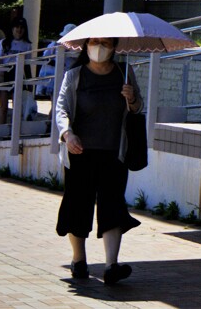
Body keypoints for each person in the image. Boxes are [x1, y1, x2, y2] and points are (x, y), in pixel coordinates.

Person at [55, 36, 142, 285]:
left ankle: (111, 265)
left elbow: (137, 108)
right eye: (94, 42)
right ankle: (79, 260)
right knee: (77, 205)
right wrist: (67, 133)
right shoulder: (75, 76)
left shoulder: (125, 73)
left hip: (115, 153)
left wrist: (131, 97)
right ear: (86, 45)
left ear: (115, 47)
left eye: (105, 43)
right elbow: (61, 109)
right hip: (80, 152)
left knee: (113, 206)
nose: (99, 48)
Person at [0, 17, 33, 124]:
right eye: (17, 27)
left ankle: (13, 132)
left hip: (18, 74)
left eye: (22, 28)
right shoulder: (4, 42)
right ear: (12, 28)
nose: (19, 30)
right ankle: (1, 131)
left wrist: (30, 82)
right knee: (4, 107)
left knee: (17, 108)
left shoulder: (27, 45)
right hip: (4, 74)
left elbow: (27, 65)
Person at [38, 24, 78, 98]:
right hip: (53, 77)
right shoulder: (55, 45)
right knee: (54, 99)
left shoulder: (77, 48)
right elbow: (45, 55)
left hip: (68, 78)